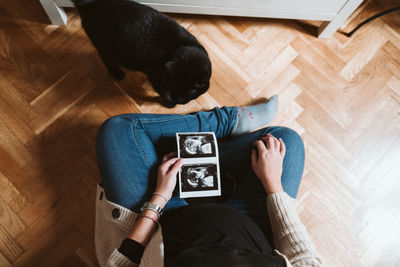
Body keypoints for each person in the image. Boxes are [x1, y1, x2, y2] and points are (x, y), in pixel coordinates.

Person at [94, 95, 323, 267]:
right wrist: (272, 183)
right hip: (251, 223)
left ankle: (202, 135)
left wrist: (160, 197)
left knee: (120, 130)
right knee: (286, 141)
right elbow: (303, 257)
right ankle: (222, 127)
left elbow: (124, 263)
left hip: (163, 220)